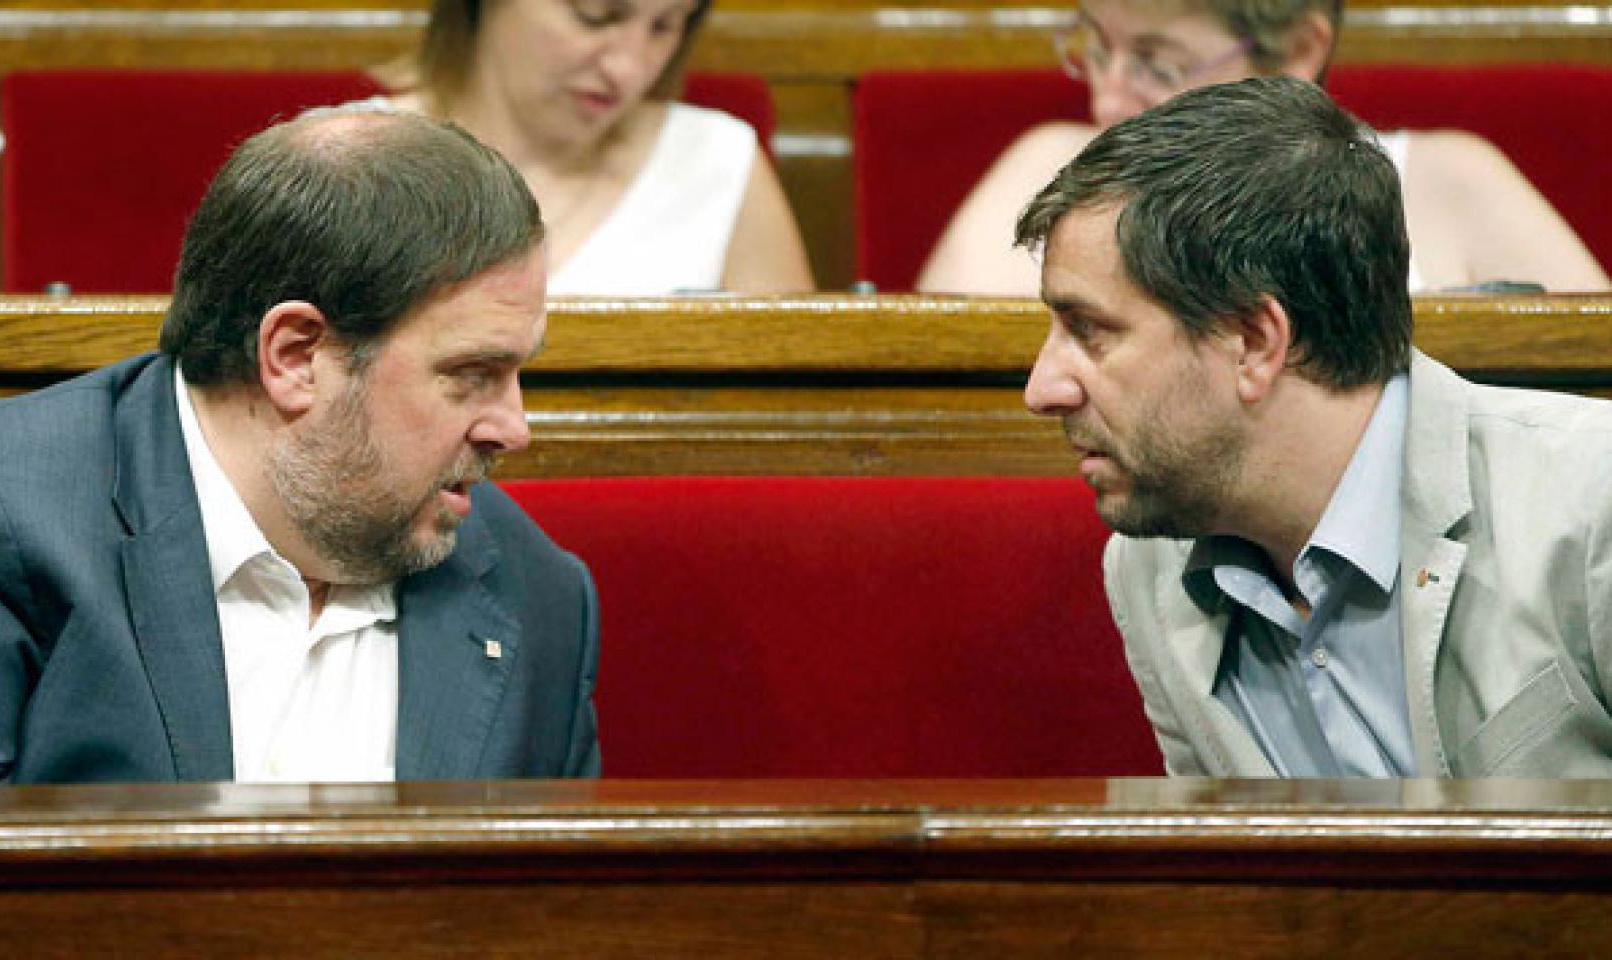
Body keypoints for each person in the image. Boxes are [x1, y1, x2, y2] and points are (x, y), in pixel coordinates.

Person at [0, 107, 601, 784]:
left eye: (517, 373)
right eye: (471, 375)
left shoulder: (536, 593)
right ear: (297, 356)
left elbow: (552, 899)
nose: (515, 429)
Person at [1021, 76, 1612, 777]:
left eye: (1089, 331)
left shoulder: (1592, 500)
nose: (1041, 389)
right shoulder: (1149, 563)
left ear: (1254, 341)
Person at [921, 0, 1610, 295]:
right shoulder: (1042, 173)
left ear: (1300, 50)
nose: (1106, 100)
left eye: (1158, 65)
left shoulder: (1450, 184)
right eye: (1097, 48)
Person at [372, 0, 814, 295]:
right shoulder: (356, 158)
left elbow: (798, 414)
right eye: (596, 15)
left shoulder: (720, 161)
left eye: (664, 26)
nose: (629, 68)